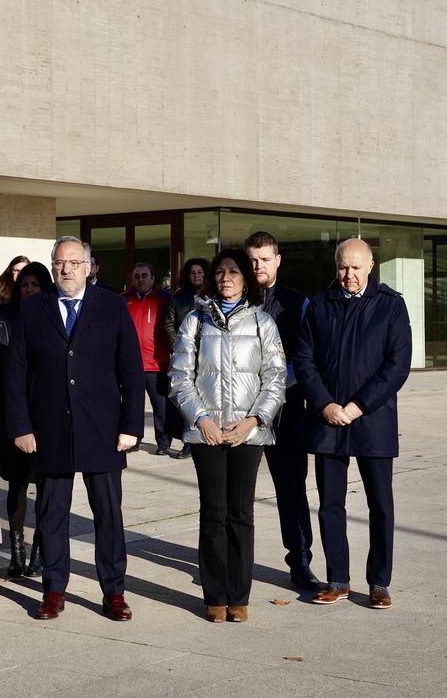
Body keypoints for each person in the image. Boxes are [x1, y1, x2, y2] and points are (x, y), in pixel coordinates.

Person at [6, 236, 144, 621]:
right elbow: (15, 374)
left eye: (72, 262)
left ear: (88, 267)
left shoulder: (112, 306)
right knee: (52, 515)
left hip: (103, 429)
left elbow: (131, 372)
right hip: (49, 428)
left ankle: (114, 591)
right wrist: (21, 426)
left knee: (108, 516)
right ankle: (53, 589)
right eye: (58, 263)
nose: (65, 269)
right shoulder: (33, 309)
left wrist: (131, 425)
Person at [168, 248, 286, 623]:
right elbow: (179, 377)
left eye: (234, 271)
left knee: (241, 514)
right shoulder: (195, 321)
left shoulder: (263, 323)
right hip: (207, 433)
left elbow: (276, 378)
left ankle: (239, 596)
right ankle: (214, 595)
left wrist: (254, 420)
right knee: (213, 513)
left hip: (246, 434)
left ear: (245, 278)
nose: (226, 277)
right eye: (220, 271)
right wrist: (200, 418)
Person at [295, 238, 412, 610]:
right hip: (327, 421)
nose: (349, 275)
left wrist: (359, 406)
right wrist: (326, 404)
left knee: (381, 505)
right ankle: (337, 580)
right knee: (330, 504)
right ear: (335, 266)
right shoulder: (319, 304)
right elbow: (304, 359)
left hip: (372, 420)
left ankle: (379, 582)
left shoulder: (391, 305)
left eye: (356, 267)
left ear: (371, 266)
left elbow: (397, 365)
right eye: (343, 267)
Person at [244, 231, 320, 591]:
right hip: (240, 415)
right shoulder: (234, 299)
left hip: (286, 413)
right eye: (253, 259)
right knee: (237, 495)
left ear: (278, 260)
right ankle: (235, 563)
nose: (258, 266)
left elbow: (304, 358)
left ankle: (300, 562)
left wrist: (270, 392)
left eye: (264, 259)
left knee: (291, 491)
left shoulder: (297, 303)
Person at [0, 261, 54, 578]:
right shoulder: (0, 319)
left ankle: (40, 554)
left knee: (46, 485)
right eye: (24, 285)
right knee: (15, 483)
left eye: (35, 285)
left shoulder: (57, 318)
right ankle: (16, 553)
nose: (28, 290)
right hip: (10, 413)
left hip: (46, 415)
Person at [122, 262, 175, 455]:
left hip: (157, 363)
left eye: (144, 276)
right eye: (137, 276)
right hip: (131, 365)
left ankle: (163, 442)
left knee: (160, 407)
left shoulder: (165, 299)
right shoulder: (123, 299)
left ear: (153, 278)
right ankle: (133, 440)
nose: (141, 279)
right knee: (132, 405)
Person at [166, 257, 210, 461]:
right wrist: (179, 345)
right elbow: (169, 324)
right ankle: (187, 443)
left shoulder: (213, 296)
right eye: (193, 273)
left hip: (208, 354)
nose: (197, 276)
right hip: (185, 356)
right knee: (186, 396)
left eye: (200, 272)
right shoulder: (178, 298)